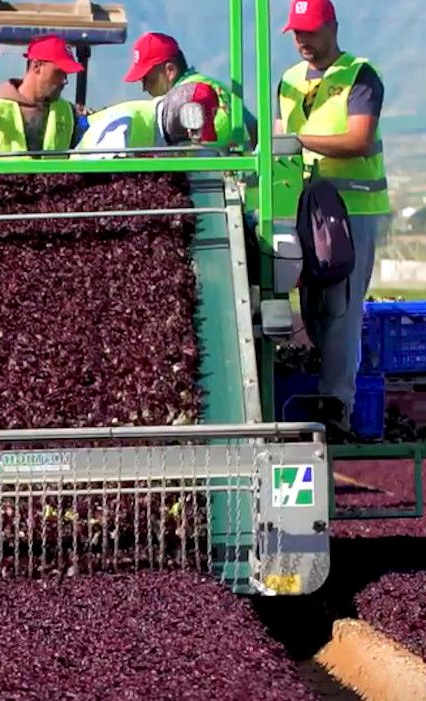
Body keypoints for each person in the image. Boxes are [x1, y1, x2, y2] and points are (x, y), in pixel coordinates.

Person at [275, 0, 390, 438]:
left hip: (349, 210)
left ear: (333, 27)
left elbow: (359, 138)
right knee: (314, 309)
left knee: (341, 309)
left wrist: (298, 140)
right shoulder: (287, 81)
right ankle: (323, 393)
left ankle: (337, 406)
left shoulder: (360, 75)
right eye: (297, 33)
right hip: (304, 206)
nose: (303, 40)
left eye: (311, 31)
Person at [121, 31, 257, 149]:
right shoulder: (215, 86)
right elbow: (254, 128)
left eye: (149, 80)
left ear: (170, 71)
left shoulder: (187, 99)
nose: (145, 88)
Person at [0, 34, 85, 155]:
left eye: (66, 74)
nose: (65, 80)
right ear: (36, 66)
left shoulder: (68, 114)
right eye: (59, 73)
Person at [72, 81, 219, 158]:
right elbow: (95, 170)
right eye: (190, 131)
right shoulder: (127, 121)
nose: (190, 137)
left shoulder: (170, 136)